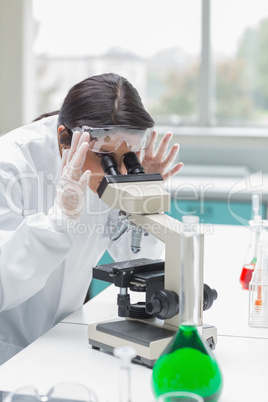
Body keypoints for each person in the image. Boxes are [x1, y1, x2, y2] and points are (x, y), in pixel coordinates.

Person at [0, 73, 183, 365]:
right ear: (64, 138)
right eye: (104, 156)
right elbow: (4, 285)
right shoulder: (9, 163)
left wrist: (142, 197)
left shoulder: (113, 171)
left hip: (65, 337)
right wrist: (59, 219)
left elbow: (136, 257)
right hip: (7, 350)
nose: (117, 170)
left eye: (129, 156)